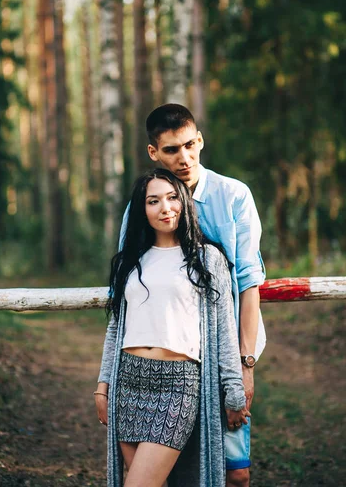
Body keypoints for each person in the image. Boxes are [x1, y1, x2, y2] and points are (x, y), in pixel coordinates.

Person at [95, 168, 250, 487]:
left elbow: (223, 328)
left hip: (178, 386)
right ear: (143, 210)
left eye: (172, 197)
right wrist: (103, 385)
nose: (165, 207)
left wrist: (234, 389)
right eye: (153, 201)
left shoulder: (208, 259)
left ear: (184, 202)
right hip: (129, 382)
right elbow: (116, 330)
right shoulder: (130, 260)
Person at [138, 104, 266, 487]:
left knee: (237, 473)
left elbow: (248, 281)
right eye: (172, 150)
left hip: (223, 352)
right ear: (154, 153)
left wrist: (244, 366)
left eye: (190, 145)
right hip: (166, 358)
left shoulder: (233, 196)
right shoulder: (145, 202)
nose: (184, 158)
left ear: (200, 140)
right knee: (170, 470)